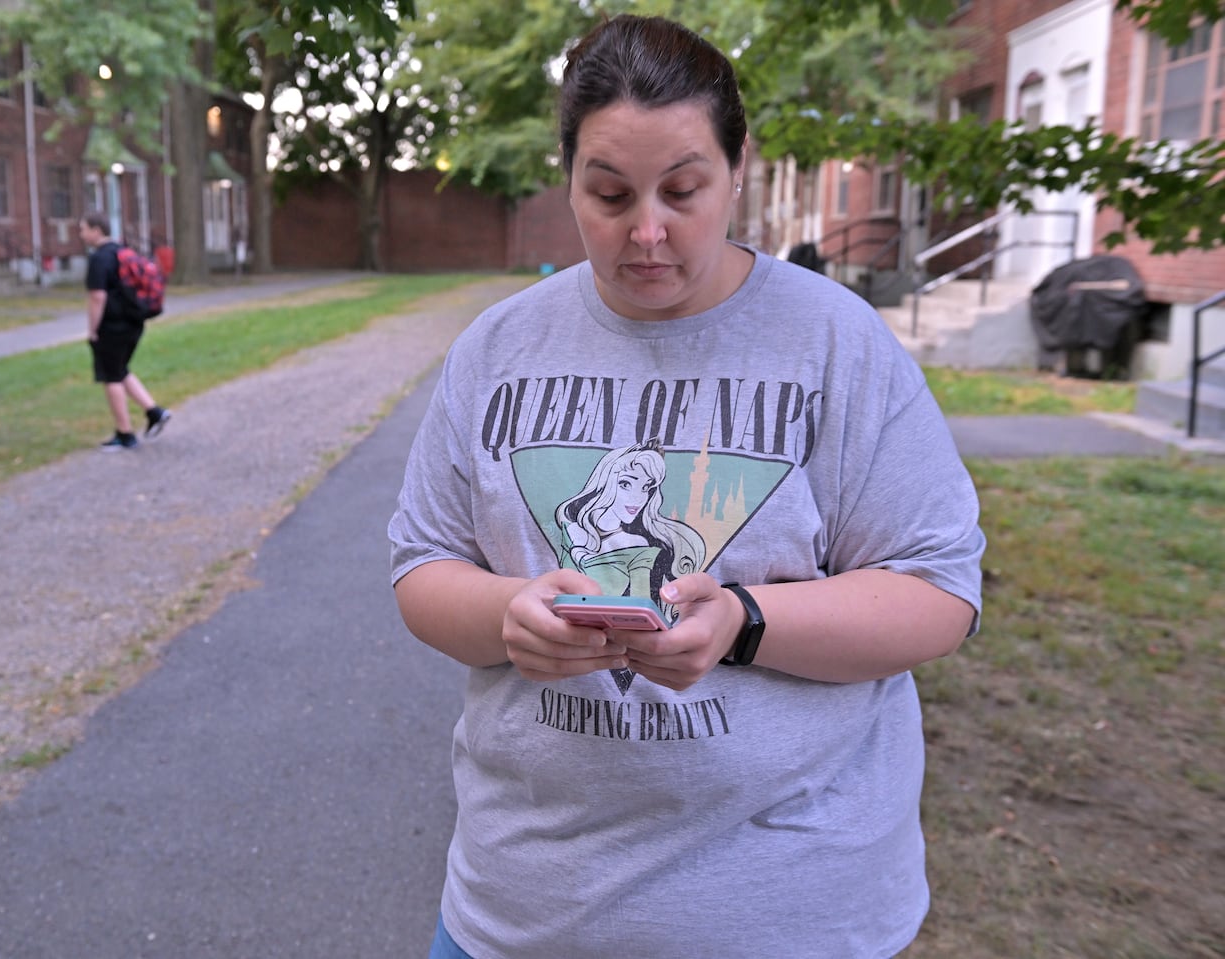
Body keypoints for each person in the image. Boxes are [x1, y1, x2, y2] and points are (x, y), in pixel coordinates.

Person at [388, 14, 985, 959]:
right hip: (518, 916)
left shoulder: (837, 344)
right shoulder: (497, 350)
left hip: (792, 917)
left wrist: (746, 623)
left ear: (738, 164)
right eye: (611, 193)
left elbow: (938, 595)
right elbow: (423, 566)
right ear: (570, 176)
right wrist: (509, 614)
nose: (649, 230)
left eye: (684, 189)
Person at [78, 210, 171, 451]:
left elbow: (97, 297)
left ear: (96, 230)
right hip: (133, 322)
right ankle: (154, 412)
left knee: (112, 377)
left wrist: (92, 330)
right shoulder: (122, 252)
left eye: (83, 229)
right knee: (121, 370)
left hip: (112, 326)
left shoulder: (99, 259)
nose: (81, 234)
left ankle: (124, 433)